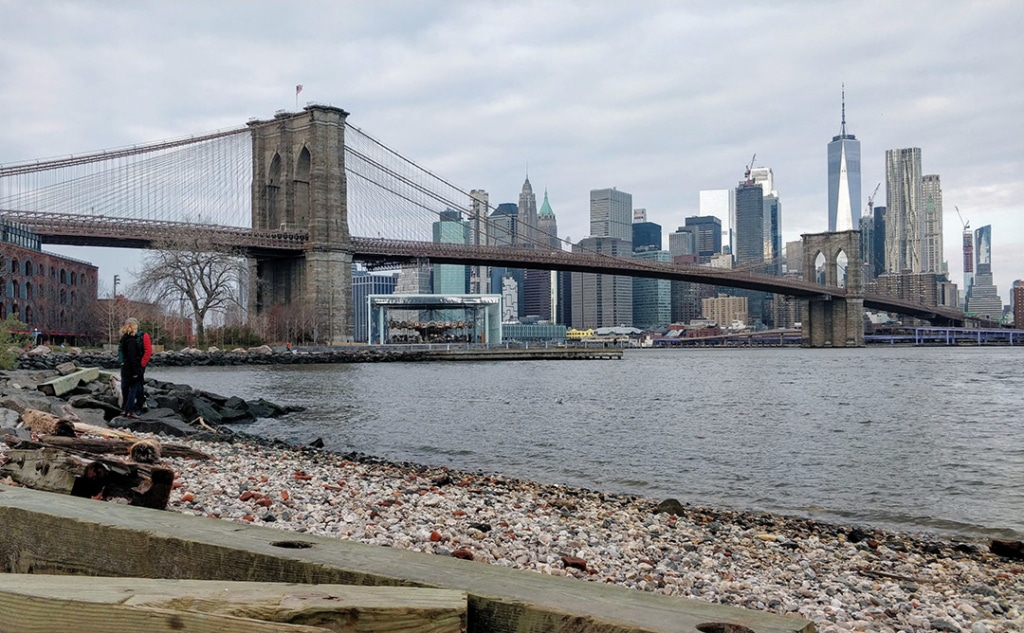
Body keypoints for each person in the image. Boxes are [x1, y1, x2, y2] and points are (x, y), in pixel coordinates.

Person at [118, 318, 144, 419]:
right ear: (134, 328)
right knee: (133, 389)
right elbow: (132, 357)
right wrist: (136, 371)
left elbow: (122, 353)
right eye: (137, 327)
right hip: (131, 368)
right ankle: (129, 410)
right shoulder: (132, 341)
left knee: (125, 388)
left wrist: (122, 362)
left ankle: (125, 409)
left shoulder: (123, 339)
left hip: (124, 368)